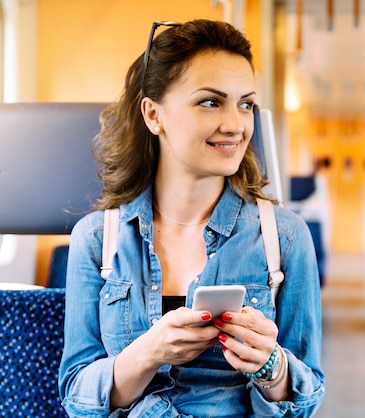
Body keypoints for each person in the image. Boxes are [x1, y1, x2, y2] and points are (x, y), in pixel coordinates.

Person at [58, 19, 325, 417]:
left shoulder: (283, 237)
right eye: (210, 101)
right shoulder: (97, 239)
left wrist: (272, 366)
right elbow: (76, 396)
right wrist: (148, 352)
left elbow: (309, 395)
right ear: (153, 115)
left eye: (246, 104)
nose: (235, 124)